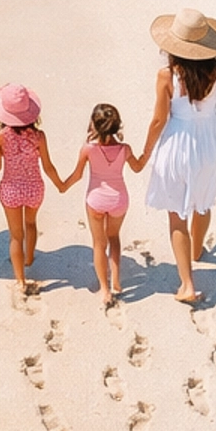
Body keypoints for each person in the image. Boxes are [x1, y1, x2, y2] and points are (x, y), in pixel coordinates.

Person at [139, 8, 216, 306]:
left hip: (178, 146)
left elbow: (159, 120)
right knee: (203, 200)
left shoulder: (167, 76)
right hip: (212, 144)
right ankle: (198, 249)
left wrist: (146, 153)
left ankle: (187, 284)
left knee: (177, 215)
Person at [0, 83, 64, 294]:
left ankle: (20, 280)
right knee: (31, 223)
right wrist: (60, 184)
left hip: (10, 188)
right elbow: (48, 165)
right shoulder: (39, 137)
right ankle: (29, 258)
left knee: (15, 236)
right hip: (34, 188)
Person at [62, 102, 140, 309]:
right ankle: (116, 281)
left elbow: (77, 175)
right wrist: (148, 152)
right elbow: (138, 167)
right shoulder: (125, 149)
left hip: (96, 199)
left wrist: (62, 186)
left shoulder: (88, 149)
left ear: (94, 125)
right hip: (119, 199)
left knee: (99, 243)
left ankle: (104, 289)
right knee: (114, 238)